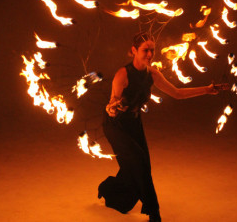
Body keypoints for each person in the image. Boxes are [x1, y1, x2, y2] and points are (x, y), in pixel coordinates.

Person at [98, 32, 229, 222]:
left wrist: (207, 90)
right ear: (134, 50)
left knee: (135, 167)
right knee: (139, 161)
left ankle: (108, 190)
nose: (150, 54)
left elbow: (177, 93)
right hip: (116, 125)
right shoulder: (123, 74)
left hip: (134, 122)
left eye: (152, 50)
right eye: (145, 50)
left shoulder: (152, 74)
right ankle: (153, 212)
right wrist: (112, 109)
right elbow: (112, 103)